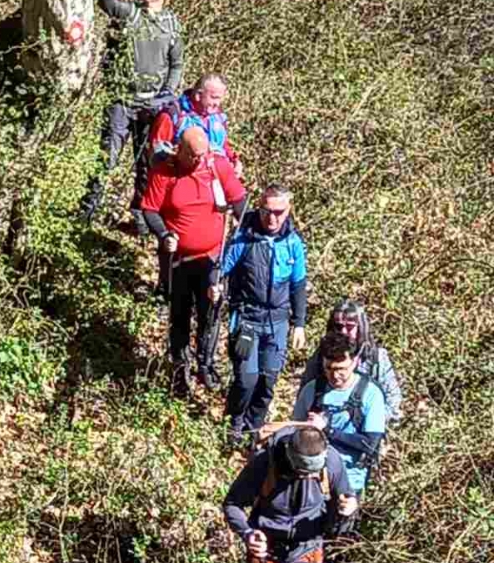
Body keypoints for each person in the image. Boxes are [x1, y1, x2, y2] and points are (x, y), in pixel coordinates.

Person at [77, 0, 184, 234]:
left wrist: (167, 93)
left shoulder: (171, 23)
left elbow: (176, 63)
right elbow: (109, 5)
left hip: (153, 105)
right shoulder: (132, 14)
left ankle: (140, 216)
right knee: (108, 156)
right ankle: (87, 211)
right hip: (123, 100)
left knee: (147, 162)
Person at [141, 125, 246, 394]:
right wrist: (164, 234)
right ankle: (179, 369)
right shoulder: (165, 171)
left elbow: (239, 200)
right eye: (194, 155)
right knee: (180, 313)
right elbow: (149, 209)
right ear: (181, 150)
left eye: (203, 154)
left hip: (213, 257)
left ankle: (206, 364)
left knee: (210, 311)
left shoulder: (216, 166)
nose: (199, 160)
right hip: (179, 259)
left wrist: (242, 230)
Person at [223, 424, 358, 563]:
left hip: (309, 550)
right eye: (303, 472)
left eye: (314, 472)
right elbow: (232, 503)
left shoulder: (332, 462)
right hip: (266, 551)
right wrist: (248, 533)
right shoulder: (265, 462)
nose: (309, 477)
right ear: (290, 457)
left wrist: (348, 509)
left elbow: (346, 501)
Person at [219, 184, 308, 446]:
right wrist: (214, 286)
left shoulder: (293, 243)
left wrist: (299, 323)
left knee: (268, 381)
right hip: (246, 318)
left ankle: (252, 429)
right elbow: (221, 268)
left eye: (279, 212)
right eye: (267, 211)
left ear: (288, 210)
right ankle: (234, 423)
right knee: (246, 379)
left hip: (278, 321)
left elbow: (298, 284)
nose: (272, 218)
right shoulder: (243, 239)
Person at [292, 329, 386, 504]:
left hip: (350, 482)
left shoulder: (371, 394)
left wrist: (327, 430)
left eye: (341, 369)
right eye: (328, 368)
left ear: (355, 362)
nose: (334, 376)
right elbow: (293, 431)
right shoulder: (312, 389)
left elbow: (370, 444)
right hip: (311, 481)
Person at [300, 299, 403, 427]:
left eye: (350, 327)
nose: (343, 332)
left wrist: (371, 419)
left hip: (365, 434)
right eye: (338, 326)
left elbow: (393, 400)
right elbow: (304, 394)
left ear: (360, 327)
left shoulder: (377, 357)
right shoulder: (321, 356)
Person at [149, 73, 242, 176]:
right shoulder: (172, 116)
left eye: (220, 99)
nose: (218, 103)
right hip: (182, 181)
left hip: (216, 180)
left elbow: (223, 144)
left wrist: (234, 160)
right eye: (214, 98)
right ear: (198, 95)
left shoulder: (217, 117)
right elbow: (156, 158)